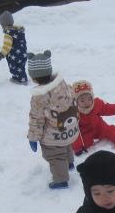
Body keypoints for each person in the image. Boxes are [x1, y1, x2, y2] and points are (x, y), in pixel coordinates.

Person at [26, 50, 79, 189]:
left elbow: (36, 119)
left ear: (33, 77)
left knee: (56, 156)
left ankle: (61, 180)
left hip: (53, 136)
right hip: (69, 129)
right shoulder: (63, 85)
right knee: (66, 145)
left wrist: (33, 137)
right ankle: (69, 163)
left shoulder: (39, 97)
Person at [71, 80, 115, 156]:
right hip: (85, 132)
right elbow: (74, 131)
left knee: (112, 130)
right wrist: (78, 147)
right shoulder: (74, 113)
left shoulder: (97, 104)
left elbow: (106, 108)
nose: (87, 103)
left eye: (89, 99)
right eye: (82, 100)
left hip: (99, 126)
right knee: (85, 144)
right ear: (76, 101)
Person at [0, 10, 28, 85]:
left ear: (4, 25)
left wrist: (0, 56)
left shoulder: (8, 34)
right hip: (23, 53)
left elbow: (6, 47)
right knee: (21, 67)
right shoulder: (19, 31)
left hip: (14, 55)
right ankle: (19, 78)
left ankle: (21, 80)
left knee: (14, 68)